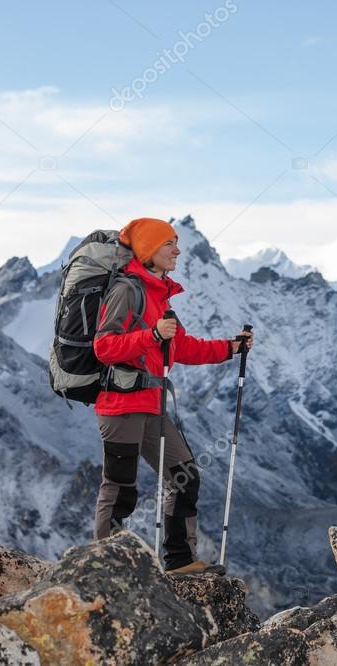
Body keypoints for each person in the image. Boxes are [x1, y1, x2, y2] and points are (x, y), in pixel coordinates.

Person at [92, 217, 253, 574]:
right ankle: (103, 568)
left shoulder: (159, 293)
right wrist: (151, 335)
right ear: (149, 249)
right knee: (120, 489)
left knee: (185, 476)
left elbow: (182, 348)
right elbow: (104, 347)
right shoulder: (127, 290)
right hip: (121, 405)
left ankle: (179, 562)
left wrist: (231, 348)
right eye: (169, 244)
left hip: (150, 405)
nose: (177, 250)